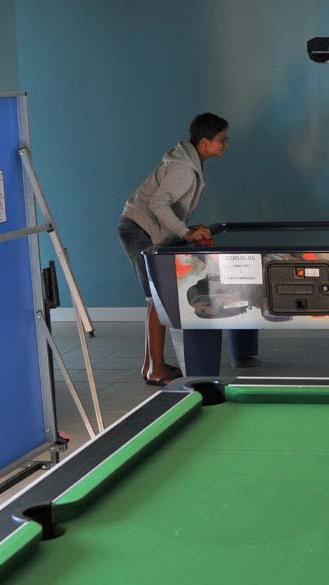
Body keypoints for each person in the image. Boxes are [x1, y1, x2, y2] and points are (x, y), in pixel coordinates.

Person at [118, 113, 258, 384]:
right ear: (204, 142)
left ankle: (151, 365)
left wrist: (189, 227)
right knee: (156, 300)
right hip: (139, 230)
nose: (224, 145)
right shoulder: (184, 169)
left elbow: (166, 205)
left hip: (139, 227)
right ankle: (155, 368)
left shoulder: (188, 162)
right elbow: (159, 203)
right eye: (221, 140)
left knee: (154, 300)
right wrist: (186, 231)